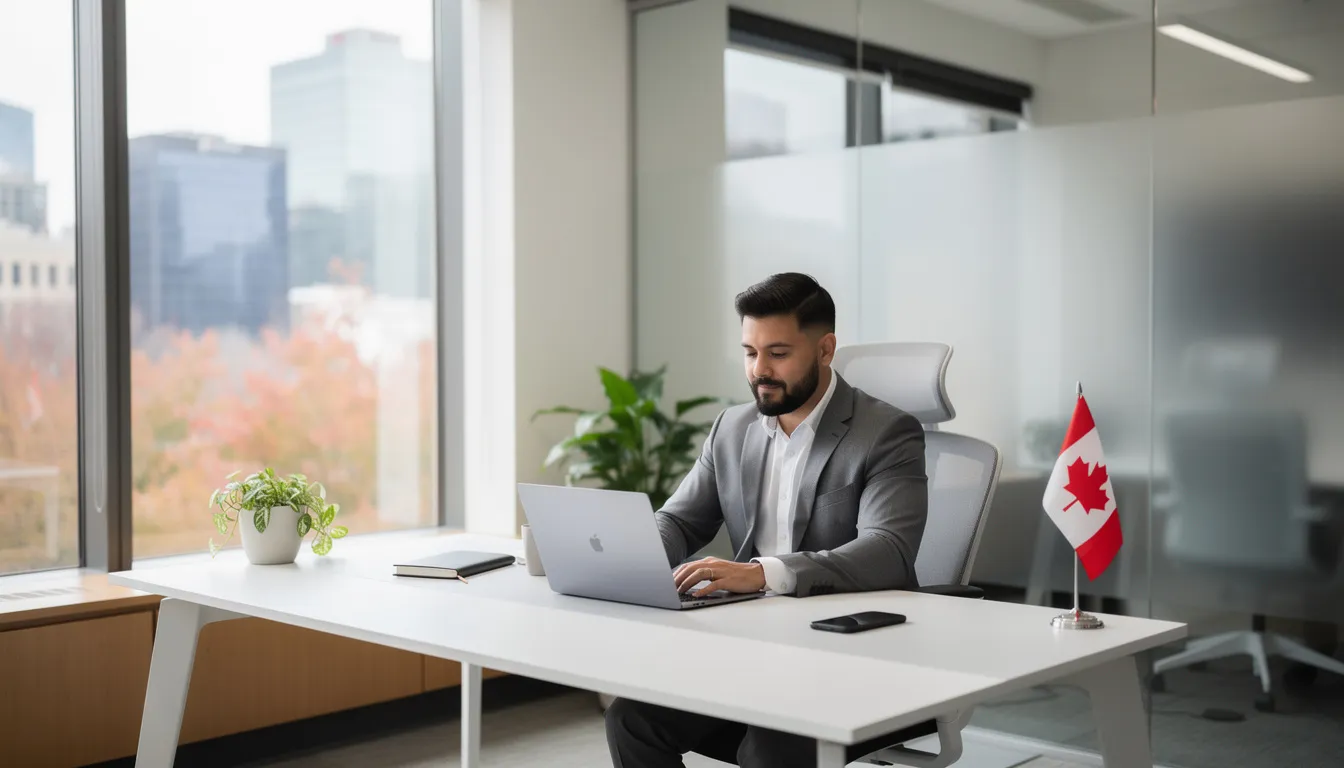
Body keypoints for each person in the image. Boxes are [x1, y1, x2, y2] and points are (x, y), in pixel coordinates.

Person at [605, 272, 930, 768]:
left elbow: (888, 549)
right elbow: (679, 520)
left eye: (778, 353)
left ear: (825, 350)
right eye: (750, 352)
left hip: (850, 659)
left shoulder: (886, 433)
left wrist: (761, 573)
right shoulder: (732, 428)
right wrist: (628, 554)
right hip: (752, 654)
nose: (760, 370)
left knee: (770, 747)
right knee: (632, 719)